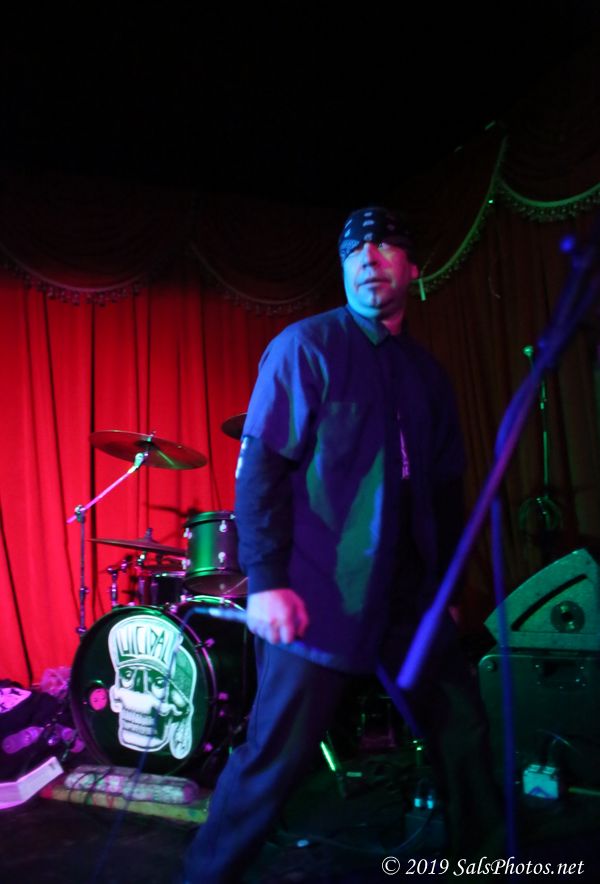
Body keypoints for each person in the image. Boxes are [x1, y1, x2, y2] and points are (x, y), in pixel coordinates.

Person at [182, 206, 505, 883]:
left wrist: (447, 588)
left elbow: (445, 491)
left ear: (412, 268)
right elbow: (261, 470)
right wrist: (268, 581)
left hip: (410, 597)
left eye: (384, 246)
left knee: (463, 736)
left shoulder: (427, 374)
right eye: (354, 250)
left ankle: (484, 865)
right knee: (274, 758)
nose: (367, 258)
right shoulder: (306, 347)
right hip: (319, 593)